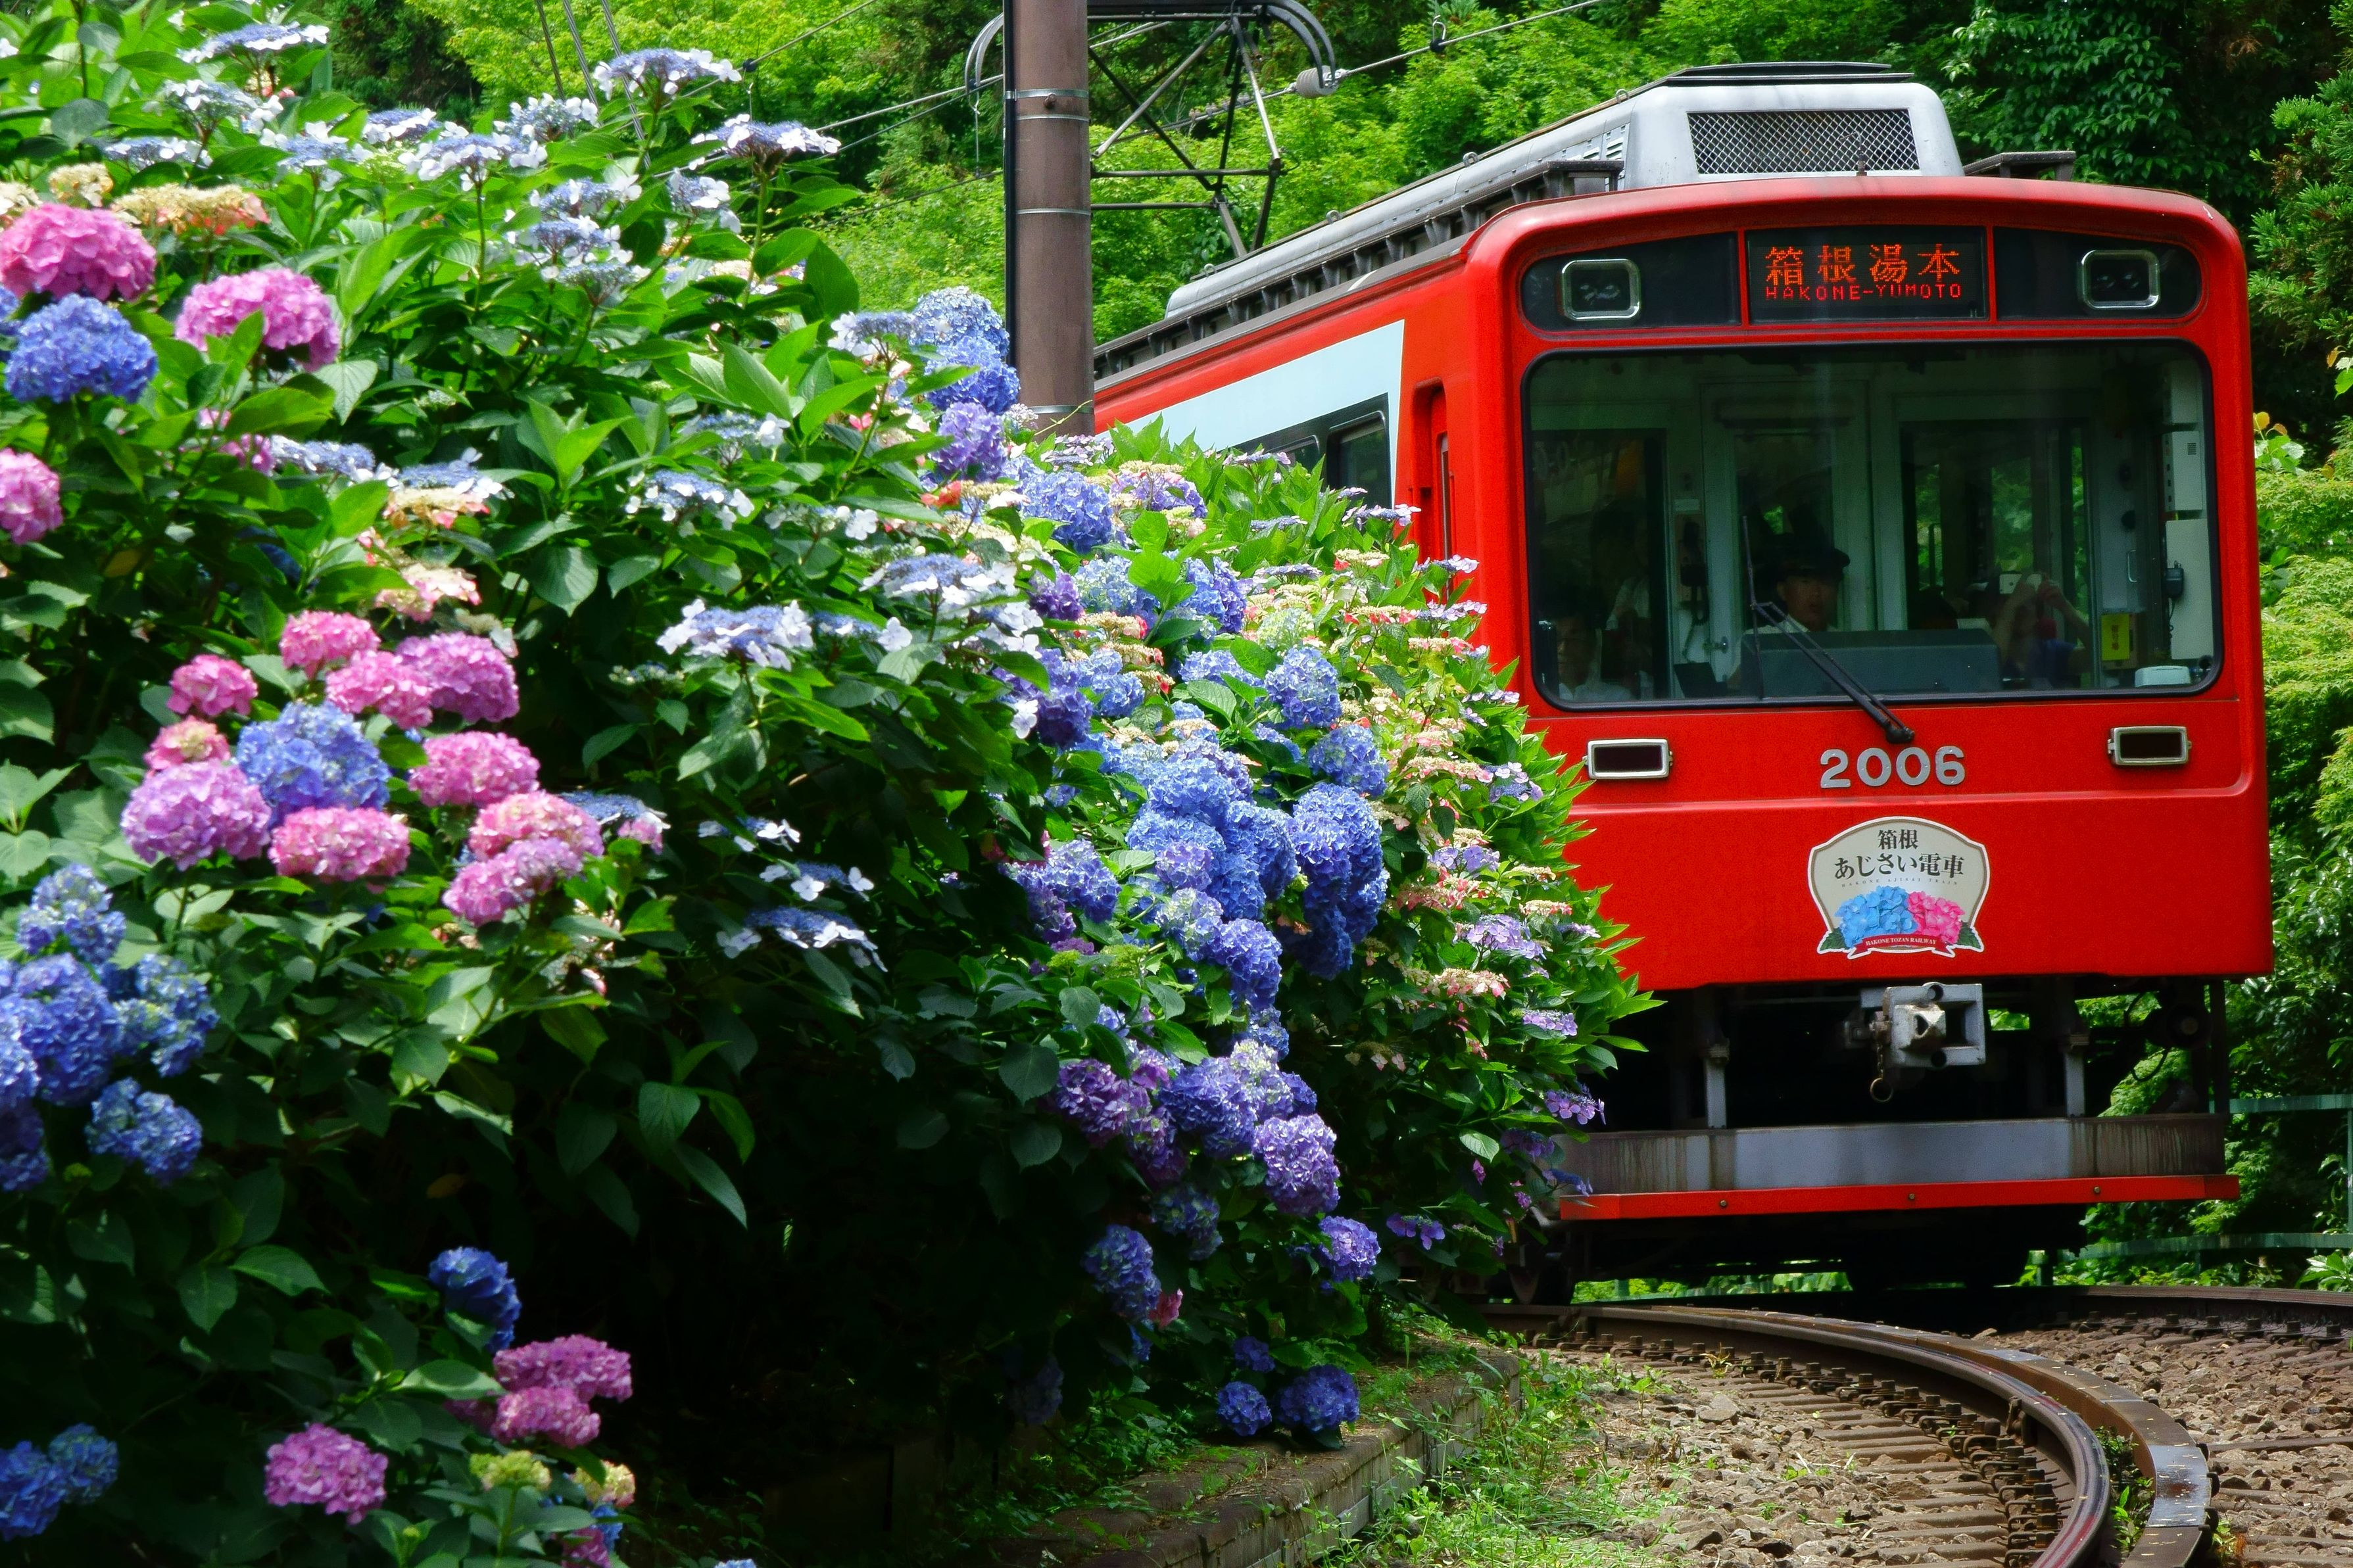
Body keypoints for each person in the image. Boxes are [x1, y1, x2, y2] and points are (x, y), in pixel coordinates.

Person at [1766, 535, 1848, 634]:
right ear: (1782, 590)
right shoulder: (1762, 639)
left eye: (1825, 583)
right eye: (1805, 582)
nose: (1816, 593)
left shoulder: (1846, 641)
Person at [1553, 611, 1632, 702]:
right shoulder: (1543, 694)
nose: (1563, 649)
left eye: (1574, 639)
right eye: (1557, 639)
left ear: (1592, 646)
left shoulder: (1618, 699)